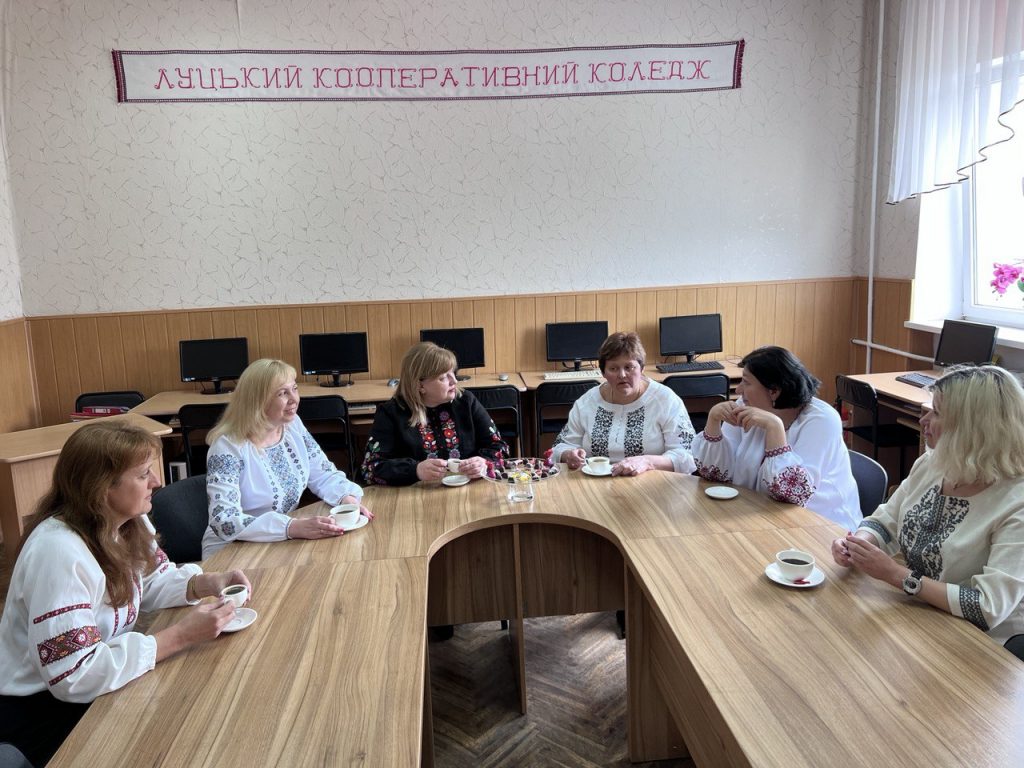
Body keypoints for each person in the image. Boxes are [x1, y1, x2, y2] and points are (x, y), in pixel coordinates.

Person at [0, 421, 249, 767]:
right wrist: (179, 636)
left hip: (94, 685)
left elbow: (152, 580)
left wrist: (205, 583)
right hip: (41, 710)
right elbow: (73, 675)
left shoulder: (127, 521)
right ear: (102, 488)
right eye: (144, 474)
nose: (156, 482)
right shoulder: (57, 551)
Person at [832, 365, 1024, 645]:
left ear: (971, 428)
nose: (924, 419)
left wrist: (896, 575)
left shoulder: (1016, 502)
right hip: (920, 616)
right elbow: (887, 520)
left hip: (981, 643)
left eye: (936, 413)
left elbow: (988, 606)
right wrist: (859, 544)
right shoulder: (933, 463)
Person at [202, 358, 370, 559]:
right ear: (258, 400)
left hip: (279, 541)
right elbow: (224, 520)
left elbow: (323, 473)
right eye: (282, 393)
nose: (294, 399)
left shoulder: (292, 426)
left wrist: (347, 499)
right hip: (230, 550)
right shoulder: (227, 447)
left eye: (294, 389)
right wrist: (291, 527)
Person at [691, 345, 859, 530]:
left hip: (821, 529)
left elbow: (793, 495)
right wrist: (713, 422)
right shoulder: (747, 405)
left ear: (774, 391)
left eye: (746, 382)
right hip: (759, 518)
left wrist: (774, 428)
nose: (738, 390)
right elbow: (715, 474)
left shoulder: (822, 420)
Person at [361, 341, 509, 486]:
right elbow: (370, 469)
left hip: (469, 490)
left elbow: (499, 447)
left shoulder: (466, 402)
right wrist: (415, 470)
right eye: (443, 377)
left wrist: (484, 462)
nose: (454, 381)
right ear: (420, 385)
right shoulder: (390, 413)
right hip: (414, 495)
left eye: (453, 373)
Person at [552, 332, 696, 476]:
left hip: (651, 484)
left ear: (642, 368)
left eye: (629, 367)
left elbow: (688, 456)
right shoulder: (587, 402)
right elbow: (559, 448)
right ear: (603, 373)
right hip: (597, 484)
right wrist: (568, 454)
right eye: (613, 368)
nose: (621, 375)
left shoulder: (665, 400)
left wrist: (647, 462)